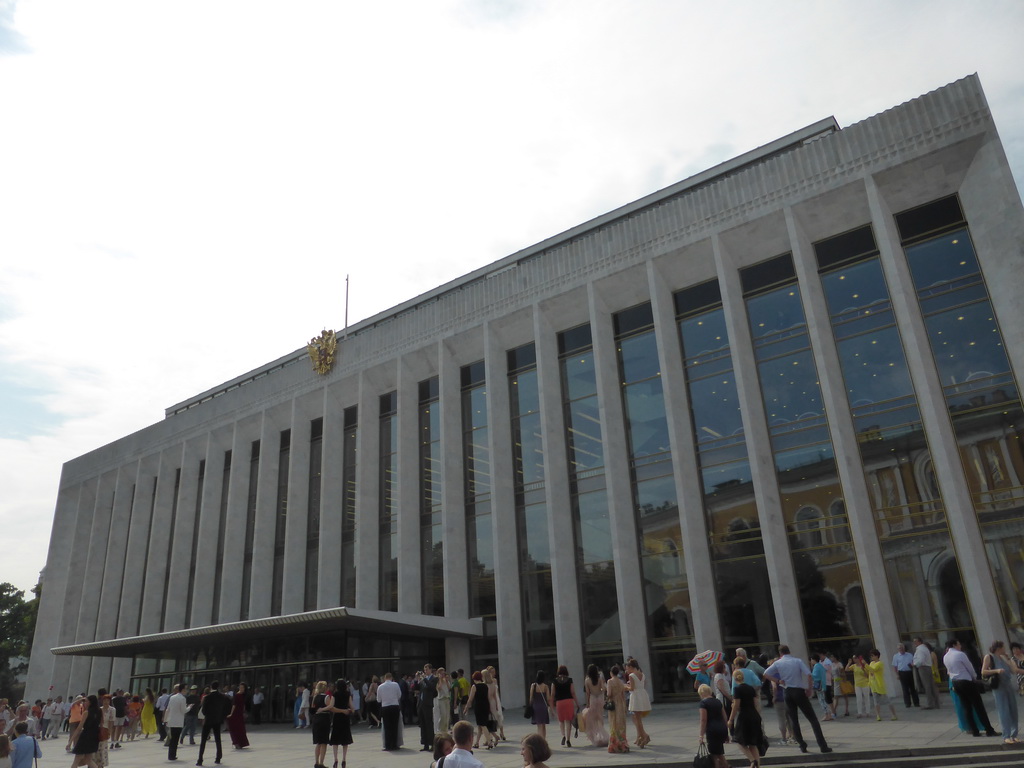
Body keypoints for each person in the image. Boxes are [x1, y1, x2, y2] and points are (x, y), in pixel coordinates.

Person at [763, 644, 831, 754]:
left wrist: (778, 681)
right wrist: (809, 689)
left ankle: (802, 745)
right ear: (789, 651)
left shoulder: (778, 663)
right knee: (812, 718)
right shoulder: (797, 661)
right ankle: (822, 745)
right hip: (798, 691)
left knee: (794, 720)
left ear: (780, 653)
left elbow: (766, 674)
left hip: (787, 691)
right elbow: (809, 675)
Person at [943, 638, 998, 737]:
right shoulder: (960, 654)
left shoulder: (946, 656)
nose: (960, 646)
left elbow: (949, 670)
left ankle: (974, 730)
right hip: (966, 681)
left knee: (966, 707)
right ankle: (989, 729)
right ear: (955, 645)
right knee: (978, 706)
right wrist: (974, 678)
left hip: (955, 682)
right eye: (959, 644)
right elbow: (970, 667)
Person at [981, 641, 1020, 744]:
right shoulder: (989, 657)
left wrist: (1008, 659)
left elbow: (1014, 671)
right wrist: (996, 671)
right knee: (1004, 711)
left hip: (1008, 686)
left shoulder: (1003, 658)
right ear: (998, 648)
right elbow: (983, 671)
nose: (1005, 649)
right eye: (1003, 647)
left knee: (1013, 710)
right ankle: (1006, 735)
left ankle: (1014, 734)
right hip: (999, 687)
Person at [729, 668, 766, 768]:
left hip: (744, 717)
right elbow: (756, 703)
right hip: (754, 715)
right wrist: (758, 717)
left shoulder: (737, 689)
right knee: (753, 743)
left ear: (734, 678)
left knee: (740, 741)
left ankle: (752, 760)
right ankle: (757, 765)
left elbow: (737, 705)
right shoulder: (751, 688)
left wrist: (731, 719)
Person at [196, 680, 230, 766]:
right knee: (218, 739)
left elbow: (204, 711)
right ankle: (218, 757)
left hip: (208, 720)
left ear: (211, 687)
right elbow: (226, 709)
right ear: (218, 687)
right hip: (217, 720)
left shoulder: (207, 697)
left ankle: (200, 759)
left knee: (203, 740)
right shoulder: (223, 697)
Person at [697, 683, 729, 768]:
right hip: (721, 728)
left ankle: (727, 766)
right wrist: (726, 731)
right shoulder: (718, 701)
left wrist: (701, 735)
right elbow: (725, 717)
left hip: (712, 730)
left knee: (717, 754)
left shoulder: (703, 703)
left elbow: (703, 720)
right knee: (716, 753)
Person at [463, 670, 495, 750]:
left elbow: (470, 699)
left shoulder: (474, 687)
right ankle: (476, 743)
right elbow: (488, 697)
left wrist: (466, 708)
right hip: (486, 705)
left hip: (479, 706)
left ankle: (489, 742)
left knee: (483, 725)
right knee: (480, 726)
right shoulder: (485, 686)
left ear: (474, 679)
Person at [327, 679, 354, 768]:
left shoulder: (335, 694)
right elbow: (352, 708)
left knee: (335, 739)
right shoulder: (348, 694)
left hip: (337, 718)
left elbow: (332, 707)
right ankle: (344, 759)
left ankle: (335, 759)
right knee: (345, 740)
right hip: (345, 719)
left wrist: (340, 711)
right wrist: (348, 711)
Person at [625, 657, 651, 747]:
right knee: (638, 718)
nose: (627, 670)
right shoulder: (641, 674)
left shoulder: (631, 675)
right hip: (642, 694)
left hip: (636, 696)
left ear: (631, 667)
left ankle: (644, 736)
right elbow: (642, 685)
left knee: (637, 718)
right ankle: (642, 737)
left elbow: (632, 688)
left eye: (628, 668)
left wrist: (625, 687)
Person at [69, 694, 101, 768]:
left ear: (90, 702)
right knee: (88, 760)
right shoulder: (99, 711)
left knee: (76, 760)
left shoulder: (86, 712)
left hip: (86, 736)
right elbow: (101, 724)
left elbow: (79, 728)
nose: (84, 703)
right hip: (94, 736)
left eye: (86, 701)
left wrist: (70, 741)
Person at [868, 649, 898, 721]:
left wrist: (865, 664)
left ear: (877, 656)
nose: (871, 657)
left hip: (880, 684)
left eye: (873, 655)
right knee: (876, 701)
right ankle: (878, 715)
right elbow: (869, 671)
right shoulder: (871, 663)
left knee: (887, 700)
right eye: (871, 656)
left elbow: (873, 669)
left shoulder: (880, 663)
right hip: (873, 684)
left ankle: (894, 714)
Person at [551, 664, 578, 748]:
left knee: (561, 720)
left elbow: (552, 694)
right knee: (568, 720)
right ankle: (568, 739)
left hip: (559, 702)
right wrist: (577, 703)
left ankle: (563, 735)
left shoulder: (554, 681)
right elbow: (573, 692)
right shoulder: (570, 680)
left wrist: (551, 705)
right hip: (569, 701)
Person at [582, 664, 608, 747]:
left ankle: (595, 737)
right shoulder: (600, 678)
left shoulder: (587, 680)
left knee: (592, 719)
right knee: (600, 717)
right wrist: (601, 690)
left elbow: (587, 693)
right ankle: (602, 736)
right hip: (600, 698)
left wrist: (587, 703)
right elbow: (603, 689)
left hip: (592, 699)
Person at [605, 664, 629, 753]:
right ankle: (622, 744)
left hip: (613, 703)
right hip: (621, 703)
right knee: (621, 724)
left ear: (611, 673)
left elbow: (609, 694)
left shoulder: (610, 681)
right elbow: (623, 694)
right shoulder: (620, 681)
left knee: (613, 723)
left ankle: (613, 744)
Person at [913, 637, 941, 709]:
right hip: (928, 667)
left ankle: (930, 703)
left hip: (923, 668)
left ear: (919, 642)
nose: (914, 643)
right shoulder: (925, 648)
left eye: (915, 641)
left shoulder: (920, 649)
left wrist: (915, 664)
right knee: (931, 685)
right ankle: (936, 703)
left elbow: (921, 660)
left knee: (927, 686)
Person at [377, 672, 403, 751]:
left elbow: (378, 699)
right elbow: (399, 695)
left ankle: (388, 745)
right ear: (391, 678)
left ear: (385, 678)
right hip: (395, 706)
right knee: (395, 726)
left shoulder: (380, 687)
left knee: (387, 727)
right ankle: (394, 744)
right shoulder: (395, 684)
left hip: (385, 707)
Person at [310, 681, 332, 768]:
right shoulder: (326, 697)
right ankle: (321, 763)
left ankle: (316, 762)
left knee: (318, 742)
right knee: (324, 742)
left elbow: (312, 709)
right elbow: (330, 707)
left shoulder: (315, 697)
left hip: (316, 719)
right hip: (324, 719)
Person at [164, 684, 187, 762]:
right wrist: (189, 707)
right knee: (176, 739)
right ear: (182, 690)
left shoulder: (172, 697)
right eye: (185, 689)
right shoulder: (182, 698)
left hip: (171, 720)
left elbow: (168, 708)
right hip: (178, 721)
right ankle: (173, 755)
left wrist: (165, 718)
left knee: (172, 738)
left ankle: (170, 755)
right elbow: (183, 710)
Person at [892, 643, 919, 708]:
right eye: (899, 648)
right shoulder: (896, 656)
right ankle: (907, 703)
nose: (901, 649)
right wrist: (897, 675)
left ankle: (916, 703)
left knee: (913, 688)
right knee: (905, 689)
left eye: (902, 648)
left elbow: (913, 662)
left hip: (910, 672)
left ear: (904, 648)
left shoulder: (909, 655)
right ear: (898, 649)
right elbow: (895, 666)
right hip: (902, 673)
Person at [418, 664, 438, 752]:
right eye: (424, 670)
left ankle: (432, 744)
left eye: (426, 669)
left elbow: (431, 687)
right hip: (421, 703)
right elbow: (419, 689)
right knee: (422, 725)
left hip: (428, 704)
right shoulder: (423, 679)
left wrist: (425, 679)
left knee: (429, 724)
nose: (425, 671)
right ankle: (425, 744)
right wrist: (418, 679)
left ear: (430, 670)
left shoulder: (434, 678)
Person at [528, 670, 550, 739]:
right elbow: (548, 698)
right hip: (543, 707)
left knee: (539, 725)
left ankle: (540, 740)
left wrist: (530, 706)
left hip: (536, 707)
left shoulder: (533, 685)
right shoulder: (545, 686)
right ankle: (544, 739)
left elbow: (531, 698)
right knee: (543, 725)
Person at [226, 682, 249, 749]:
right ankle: (236, 742)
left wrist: (244, 712)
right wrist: (231, 714)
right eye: (240, 687)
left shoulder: (243, 695)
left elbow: (243, 705)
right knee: (235, 729)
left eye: (243, 688)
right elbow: (234, 705)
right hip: (235, 714)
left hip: (240, 714)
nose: (241, 689)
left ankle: (241, 743)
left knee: (241, 729)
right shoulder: (237, 695)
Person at [811, 654, 833, 721]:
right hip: (823, 684)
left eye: (811, 659)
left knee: (822, 700)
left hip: (819, 685)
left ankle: (827, 714)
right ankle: (828, 714)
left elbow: (815, 676)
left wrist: (810, 675)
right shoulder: (820, 666)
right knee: (824, 699)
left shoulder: (817, 666)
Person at [434, 668, 452, 735]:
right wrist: (440, 679)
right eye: (441, 673)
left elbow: (449, 688)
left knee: (447, 715)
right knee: (443, 715)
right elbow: (439, 688)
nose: (443, 674)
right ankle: (441, 729)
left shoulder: (446, 681)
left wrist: (447, 681)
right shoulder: (438, 681)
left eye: (443, 673)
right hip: (441, 699)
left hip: (447, 698)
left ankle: (445, 730)